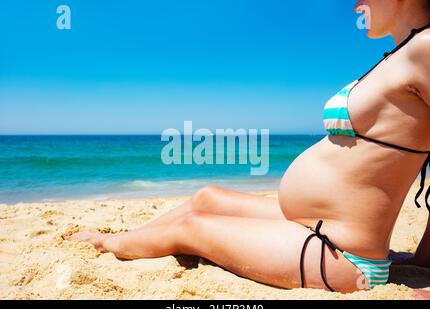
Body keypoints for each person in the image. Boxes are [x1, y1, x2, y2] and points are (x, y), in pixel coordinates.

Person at [67, 0, 430, 293]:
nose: (355, 6)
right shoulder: (399, 55)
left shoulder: (425, 48)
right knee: (205, 198)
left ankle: (109, 245)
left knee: (191, 227)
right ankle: (127, 238)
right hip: (311, 224)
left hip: (339, 253)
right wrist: (424, 259)